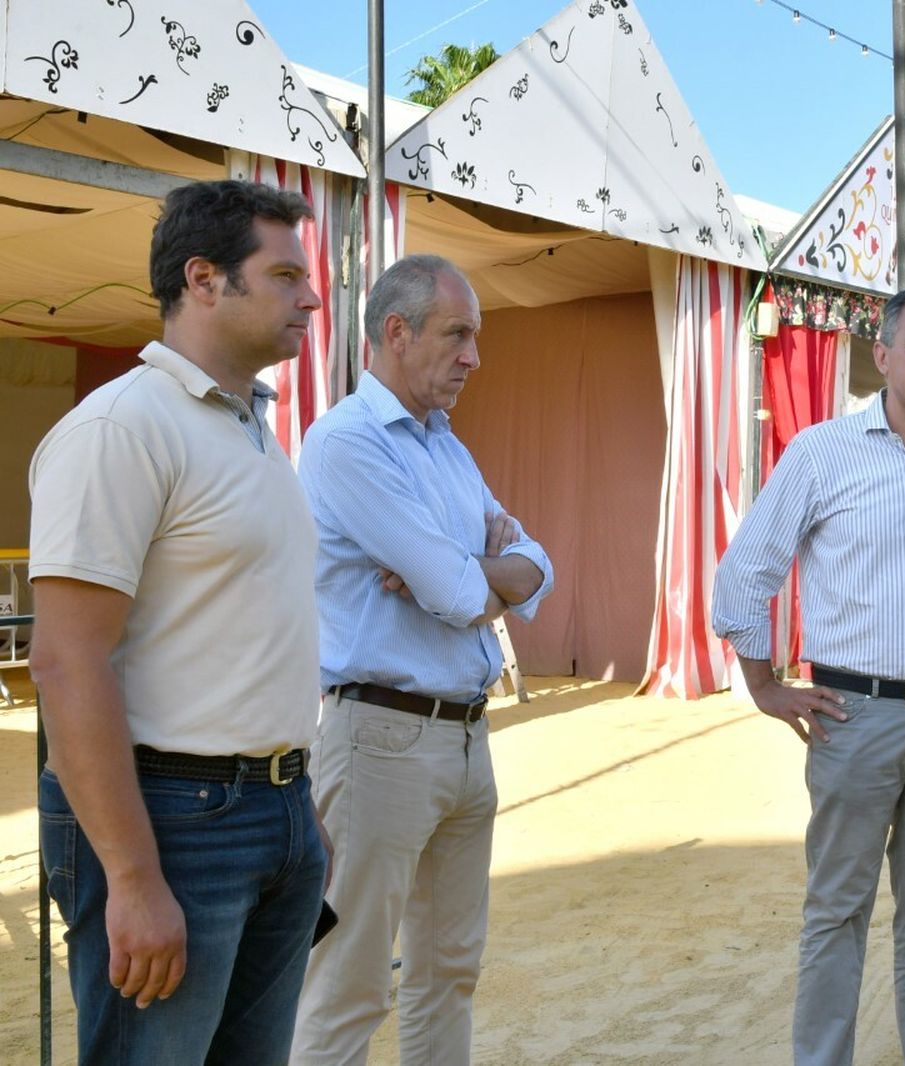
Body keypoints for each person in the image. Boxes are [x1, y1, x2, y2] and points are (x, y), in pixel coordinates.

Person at [29, 180, 328, 1063]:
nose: (310, 296)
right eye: (283, 275)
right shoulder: (122, 429)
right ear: (204, 279)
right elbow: (65, 661)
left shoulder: (249, 429)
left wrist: (295, 811)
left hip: (275, 809)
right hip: (174, 819)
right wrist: (131, 875)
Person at [713, 287, 905, 1065]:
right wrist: (763, 686)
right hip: (854, 717)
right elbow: (746, 573)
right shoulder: (821, 453)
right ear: (881, 356)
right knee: (837, 909)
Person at [290, 254, 553, 1065]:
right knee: (349, 984)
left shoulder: (447, 448)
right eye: (459, 334)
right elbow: (457, 588)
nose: (474, 356)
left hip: (466, 738)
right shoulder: (344, 444)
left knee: (449, 974)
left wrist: (482, 571)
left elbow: (536, 568)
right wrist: (475, 570)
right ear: (395, 333)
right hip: (380, 743)